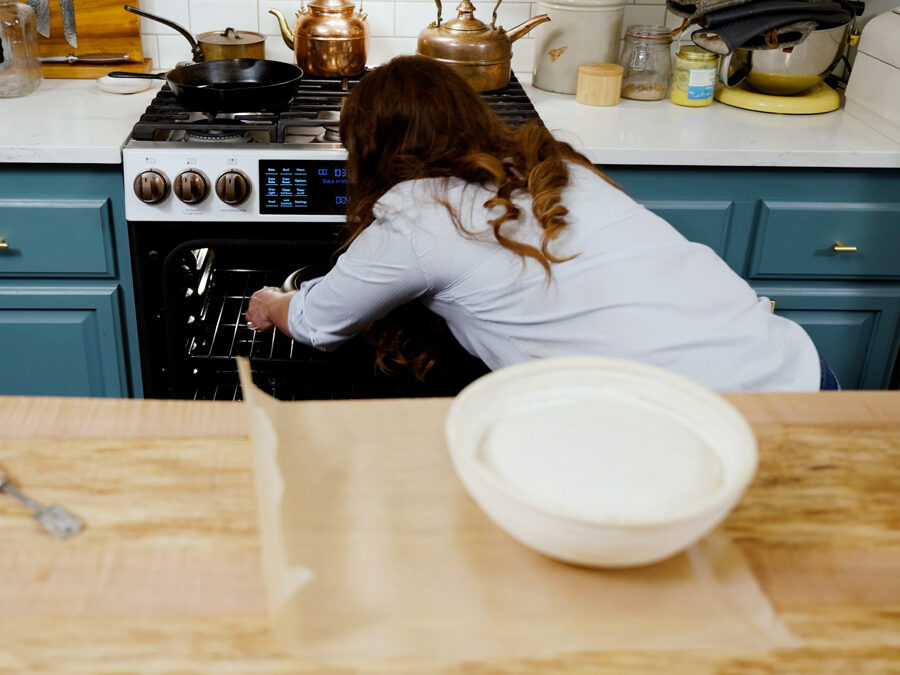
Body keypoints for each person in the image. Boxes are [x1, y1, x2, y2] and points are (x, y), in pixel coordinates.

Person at [245, 54, 834, 392]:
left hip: (706, 423)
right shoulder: (551, 168)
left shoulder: (417, 220)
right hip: (800, 374)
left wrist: (273, 302)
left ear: (368, 147)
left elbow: (320, 323)